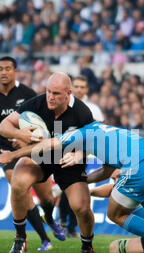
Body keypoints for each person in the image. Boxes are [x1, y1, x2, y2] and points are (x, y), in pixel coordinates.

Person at [0, 121, 144, 253]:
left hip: (139, 167)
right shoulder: (109, 134)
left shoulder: (81, 133)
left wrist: (14, 155)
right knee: (131, 204)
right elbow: (105, 172)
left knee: (115, 214)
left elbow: (49, 144)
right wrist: (80, 182)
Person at [0, 72, 96, 253]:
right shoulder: (37, 103)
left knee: (81, 208)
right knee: (18, 182)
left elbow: (94, 141)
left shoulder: (82, 112)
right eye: (48, 91)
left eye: (56, 93)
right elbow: (3, 127)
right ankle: (20, 237)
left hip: (68, 161)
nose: (50, 96)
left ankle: (87, 247)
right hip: (40, 156)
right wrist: (20, 133)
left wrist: (80, 155)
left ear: (68, 93)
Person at [0, 56, 54, 252]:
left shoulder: (27, 93)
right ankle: (38, 238)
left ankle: (50, 218)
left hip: (29, 149)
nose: (4, 72)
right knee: (19, 188)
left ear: (15, 71)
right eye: (0, 69)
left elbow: (38, 122)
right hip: (4, 152)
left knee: (46, 197)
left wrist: (25, 138)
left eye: (8, 68)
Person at [57, 75, 106, 238]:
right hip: (60, 149)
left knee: (73, 187)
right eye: (76, 86)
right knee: (66, 188)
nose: (78, 89)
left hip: (81, 153)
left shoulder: (93, 108)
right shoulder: (61, 103)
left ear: (86, 89)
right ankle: (63, 221)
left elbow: (98, 131)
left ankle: (70, 225)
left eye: (81, 87)